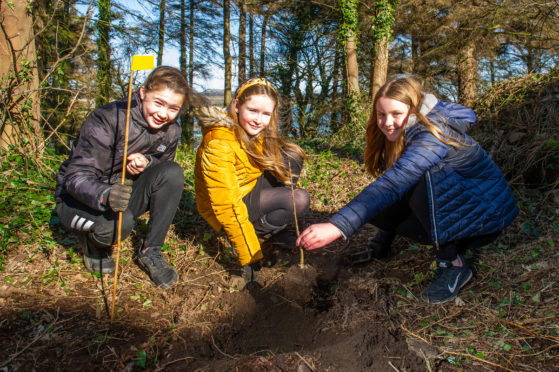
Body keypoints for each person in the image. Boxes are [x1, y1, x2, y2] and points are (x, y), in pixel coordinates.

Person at [296, 75, 518, 304]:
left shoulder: (431, 135)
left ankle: (453, 264)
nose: (387, 122)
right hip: (460, 212)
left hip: (485, 219)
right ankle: (382, 246)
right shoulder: (402, 133)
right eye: (381, 114)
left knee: (425, 178)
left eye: (396, 114)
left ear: (412, 111)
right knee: (378, 205)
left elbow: (395, 184)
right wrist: (381, 240)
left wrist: (335, 226)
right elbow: (394, 186)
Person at [55, 66, 193, 289]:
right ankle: (94, 245)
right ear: (142, 93)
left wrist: (148, 162)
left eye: (173, 108)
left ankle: (151, 251)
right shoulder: (108, 118)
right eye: (158, 102)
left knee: (172, 172)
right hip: (79, 199)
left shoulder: (171, 130)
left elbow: (162, 166)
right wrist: (104, 194)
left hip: (124, 192)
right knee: (121, 224)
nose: (163, 114)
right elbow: (75, 176)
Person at [194, 77, 310, 284]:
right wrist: (249, 255)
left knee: (292, 155)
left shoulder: (253, 130)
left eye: (266, 114)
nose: (259, 120)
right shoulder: (219, 144)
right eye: (253, 111)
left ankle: (276, 229)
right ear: (237, 106)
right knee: (297, 200)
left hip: (248, 186)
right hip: (231, 203)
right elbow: (227, 205)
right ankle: (257, 235)